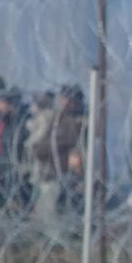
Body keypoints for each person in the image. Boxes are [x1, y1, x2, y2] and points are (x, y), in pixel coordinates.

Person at [31, 84, 86, 224]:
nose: (61, 102)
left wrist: (45, 146)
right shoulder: (59, 118)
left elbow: (61, 141)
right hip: (54, 172)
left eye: (64, 98)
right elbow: (43, 144)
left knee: (56, 216)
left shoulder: (76, 120)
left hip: (65, 174)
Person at [0, 88, 33, 210]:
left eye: (0, 103)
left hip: (12, 164)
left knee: (14, 198)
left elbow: (19, 141)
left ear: (9, 104)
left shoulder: (19, 120)